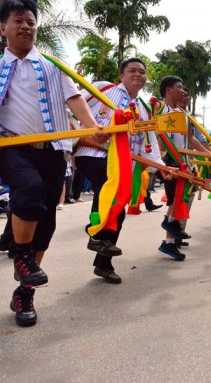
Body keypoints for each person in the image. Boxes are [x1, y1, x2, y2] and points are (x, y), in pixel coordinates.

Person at [0, 0, 107, 327]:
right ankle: (23, 257)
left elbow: (74, 99)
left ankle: (24, 293)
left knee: (45, 222)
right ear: (3, 28)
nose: (26, 26)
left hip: (54, 151)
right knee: (27, 189)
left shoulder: (53, 66)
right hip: (9, 148)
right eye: (18, 20)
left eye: (31, 21)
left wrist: (91, 128)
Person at [74, 59, 174, 281]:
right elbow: (72, 105)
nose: (137, 74)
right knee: (110, 180)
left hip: (122, 163)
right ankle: (95, 230)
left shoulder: (144, 109)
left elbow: (149, 146)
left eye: (142, 71)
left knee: (119, 205)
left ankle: (103, 263)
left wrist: (161, 168)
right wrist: (77, 133)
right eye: (132, 70)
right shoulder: (101, 89)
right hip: (92, 154)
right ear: (122, 75)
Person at [156, 76, 211, 260]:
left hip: (183, 162)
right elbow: (153, 136)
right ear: (168, 90)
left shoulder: (182, 114)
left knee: (178, 200)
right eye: (179, 87)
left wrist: (209, 154)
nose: (183, 91)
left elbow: (192, 139)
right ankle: (170, 233)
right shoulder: (158, 109)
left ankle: (170, 238)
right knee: (175, 200)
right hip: (168, 161)